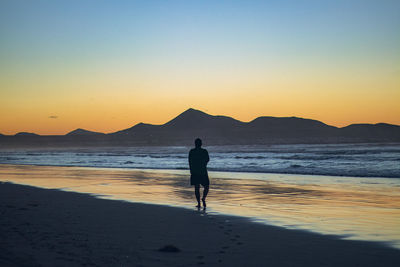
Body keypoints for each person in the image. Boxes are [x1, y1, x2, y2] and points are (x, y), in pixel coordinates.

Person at [188, 138, 210, 208]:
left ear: (195, 144)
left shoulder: (192, 151)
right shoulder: (204, 151)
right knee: (206, 186)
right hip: (203, 171)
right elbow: (207, 159)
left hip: (195, 171)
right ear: (201, 144)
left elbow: (190, 161)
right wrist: (203, 164)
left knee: (197, 188)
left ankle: (199, 203)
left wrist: (191, 170)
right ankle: (203, 198)